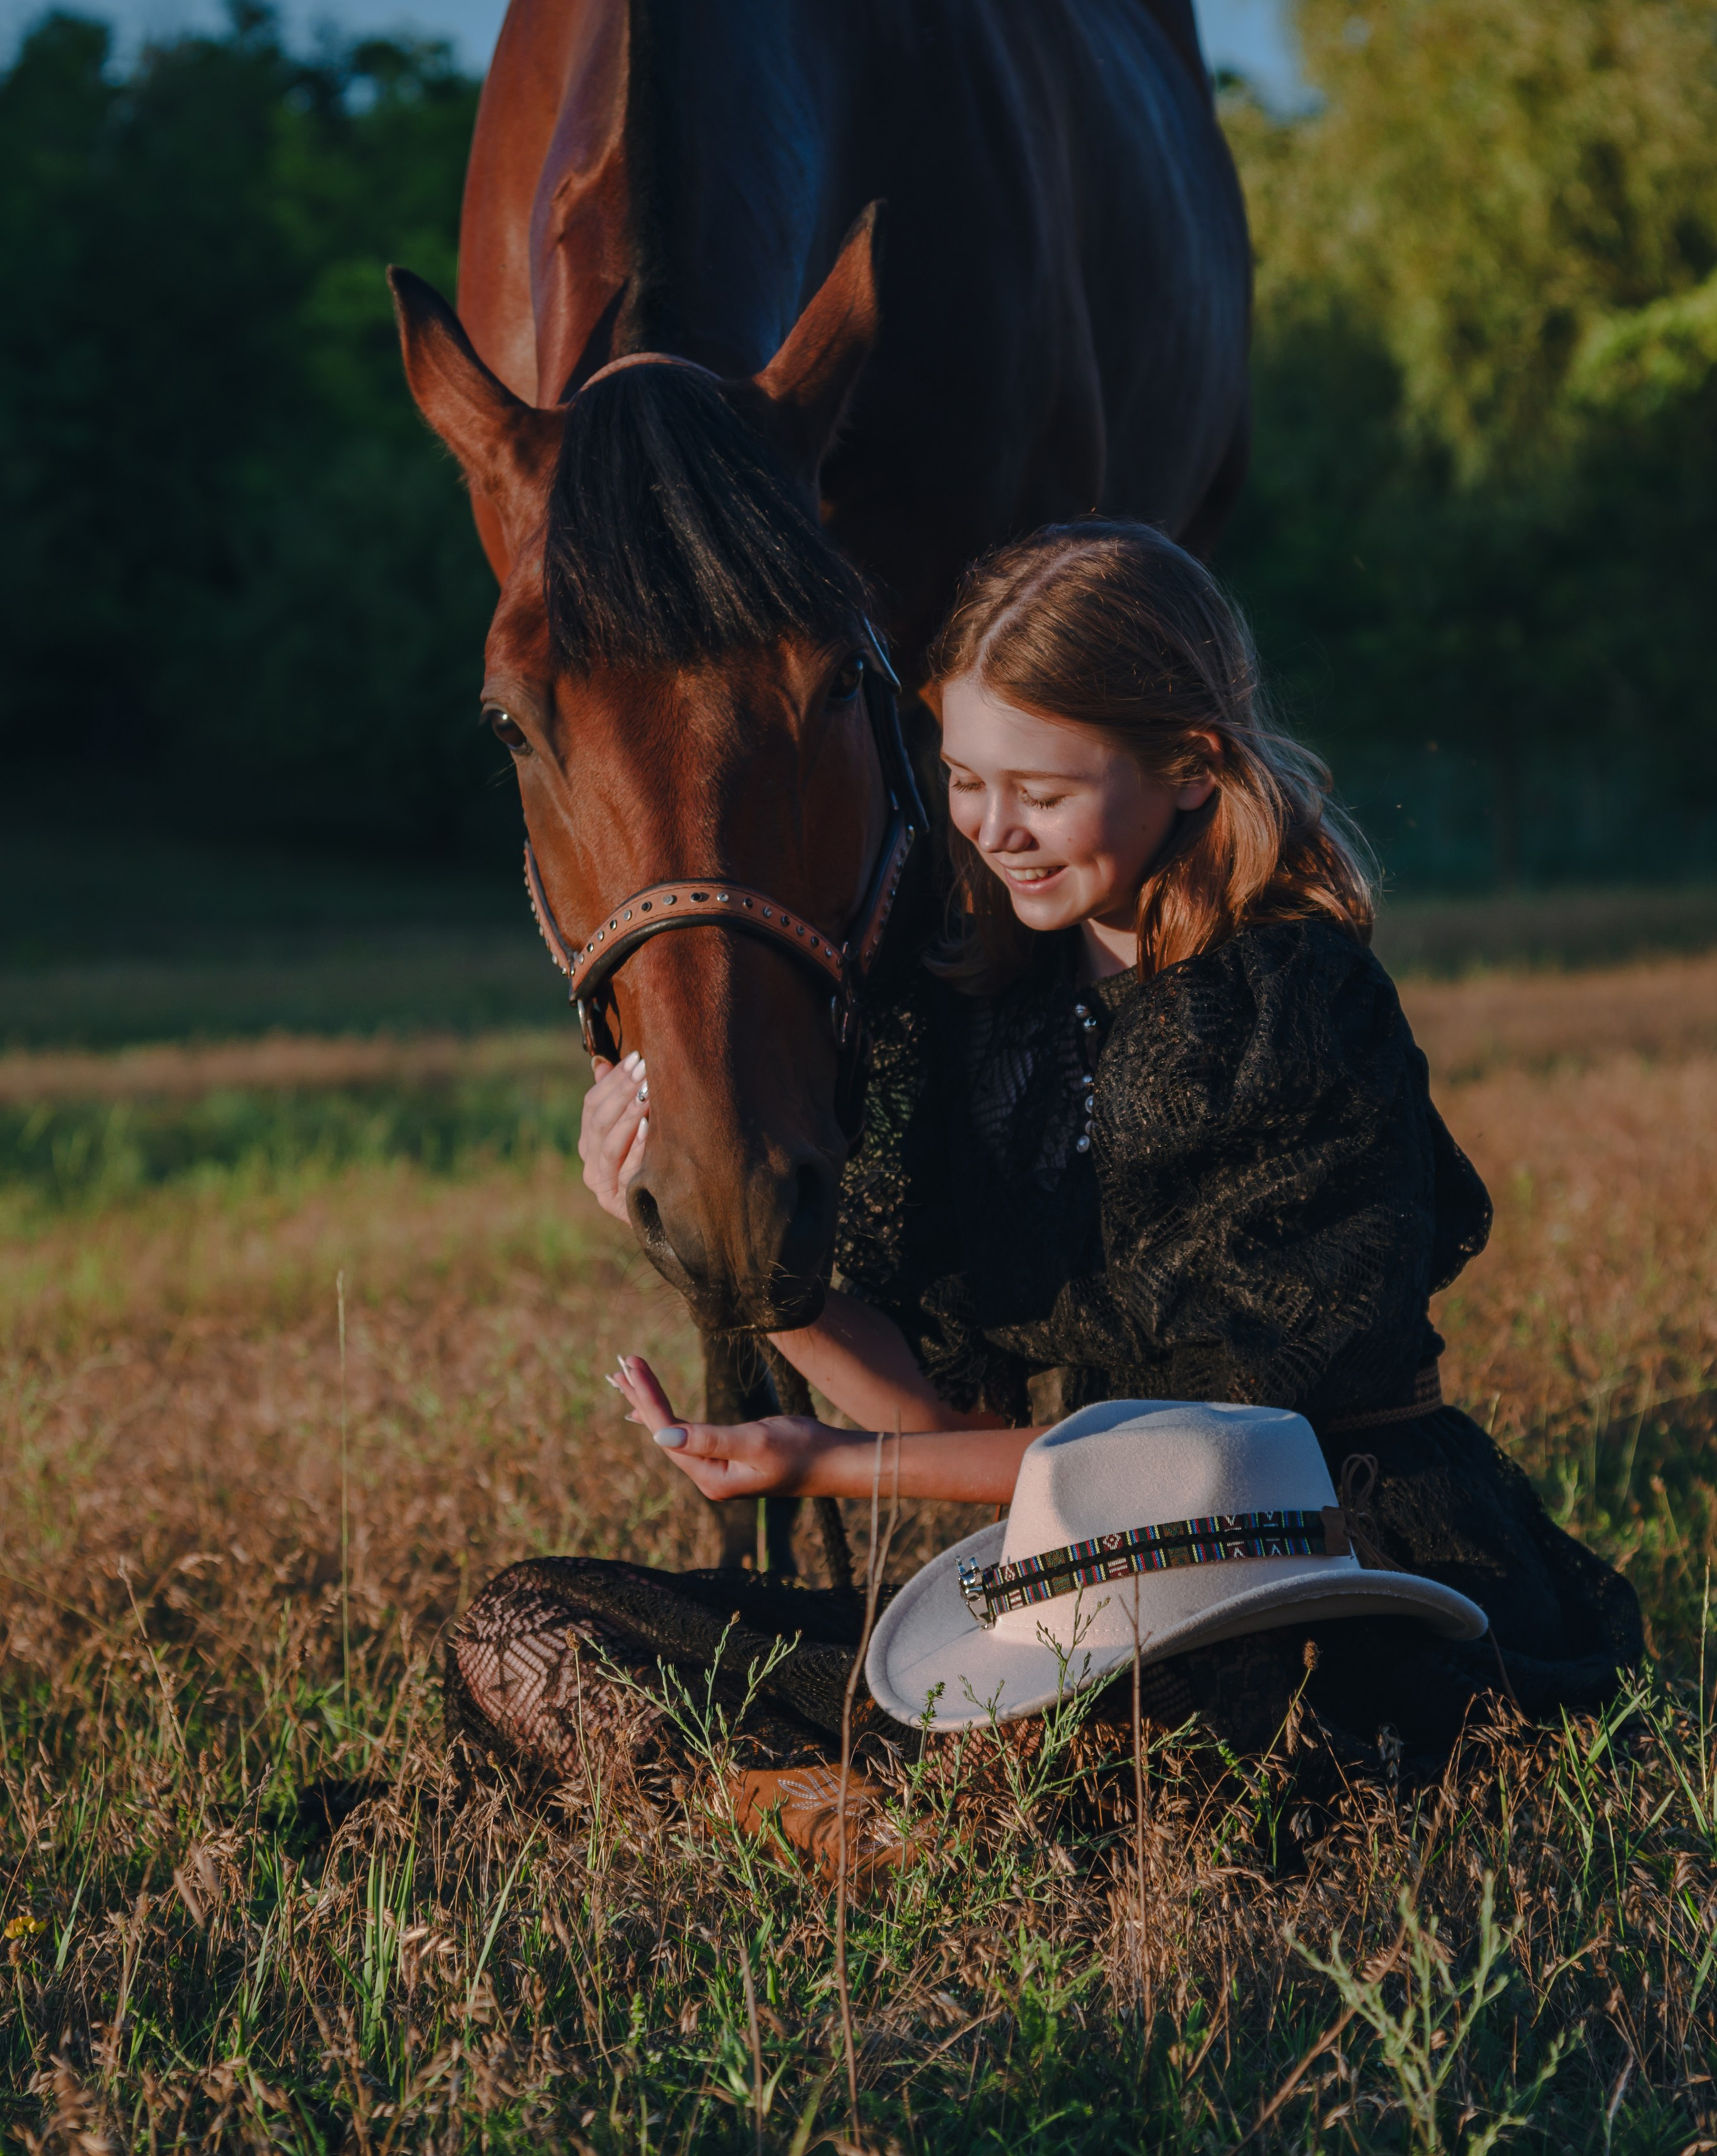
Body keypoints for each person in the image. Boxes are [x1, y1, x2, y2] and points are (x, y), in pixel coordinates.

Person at [446, 524, 1641, 1838]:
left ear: (1190, 766)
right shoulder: (982, 1009)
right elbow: (937, 1409)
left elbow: (1218, 1459)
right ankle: (827, 1816)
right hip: (1074, 1571)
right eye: (961, 778)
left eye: (1039, 789)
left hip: (1311, 1562)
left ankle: (932, 1814)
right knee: (520, 1628)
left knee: (1202, 1699)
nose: (992, 830)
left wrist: (834, 1465)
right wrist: (711, 1259)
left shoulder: (1294, 1005)